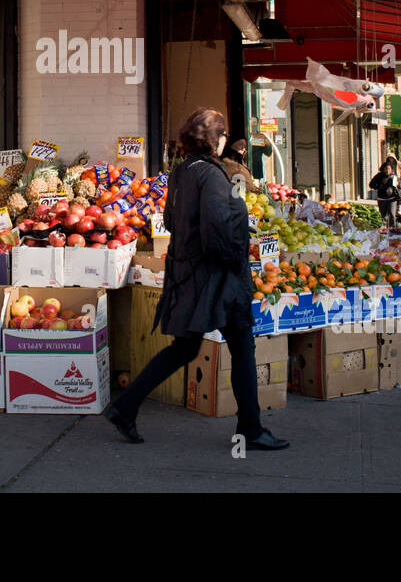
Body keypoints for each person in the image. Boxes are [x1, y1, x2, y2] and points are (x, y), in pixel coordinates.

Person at [105, 107, 288, 451]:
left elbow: (172, 221)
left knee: (185, 347)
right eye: (221, 136)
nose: (223, 142)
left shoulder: (181, 171)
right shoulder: (213, 176)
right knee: (242, 346)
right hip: (219, 277)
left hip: (187, 271)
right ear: (213, 140)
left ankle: (125, 407)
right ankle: (251, 429)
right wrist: (236, 256)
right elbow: (217, 226)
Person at [369, 158, 401, 229]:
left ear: (392, 170)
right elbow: (371, 184)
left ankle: (392, 230)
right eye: (386, 169)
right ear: (383, 169)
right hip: (382, 198)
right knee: (383, 216)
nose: (387, 170)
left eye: (389, 169)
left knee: (392, 214)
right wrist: (379, 186)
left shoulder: (394, 177)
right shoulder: (379, 176)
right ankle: (383, 230)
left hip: (392, 198)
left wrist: (397, 184)